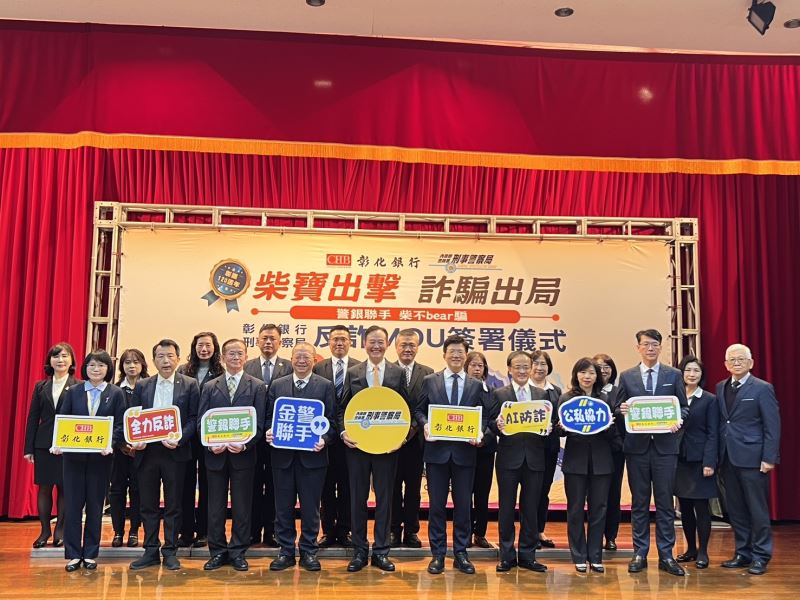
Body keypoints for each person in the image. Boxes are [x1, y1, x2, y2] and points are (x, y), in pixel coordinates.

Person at [416, 335, 496, 575]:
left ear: (466, 355)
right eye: (452, 351)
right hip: (436, 454)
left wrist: (480, 432)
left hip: (465, 454)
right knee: (436, 507)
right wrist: (426, 425)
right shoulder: (430, 381)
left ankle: (461, 553)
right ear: (444, 355)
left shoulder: (475, 384)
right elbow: (419, 410)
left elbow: (485, 415)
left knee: (463, 506)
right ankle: (438, 554)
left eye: (460, 352)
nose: (456, 356)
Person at [616, 329, 689, 576]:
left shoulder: (674, 374)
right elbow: (618, 408)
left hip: (665, 449)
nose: (650, 348)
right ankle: (640, 553)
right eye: (646, 344)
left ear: (660, 347)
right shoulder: (627, 376)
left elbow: (683, 407)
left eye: (654, 344)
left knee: (665, 503)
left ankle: (666, 555)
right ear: (637, 347)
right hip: (636, 449)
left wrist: (678, 420)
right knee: (639, 503)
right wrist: (622, 410)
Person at [338, 325, 410, 573]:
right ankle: (359, 550)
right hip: (358, 447)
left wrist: (402, 438)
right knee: (357, 498)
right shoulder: (353, 372)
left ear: (387, 344)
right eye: (372, 342)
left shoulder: (398, 373)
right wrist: (343, 432)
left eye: (381, 342)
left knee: (385, 499)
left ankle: (381, 551)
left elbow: (407, 409)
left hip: (387, 448)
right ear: (364, 344)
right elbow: (342, 407)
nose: (376, 346)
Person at [266, 342, 337, 572]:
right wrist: (269, 432)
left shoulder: (325, 386)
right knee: (282, 508)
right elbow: (268, 418)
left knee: (310, 508)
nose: (302, 360)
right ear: (291, 359)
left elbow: (332, 422)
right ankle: (286, 551)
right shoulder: (277, 385)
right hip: (282, 458)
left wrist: (324, 439)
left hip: (313, 459)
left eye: (307, 357)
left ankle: (308, 551)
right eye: (298, 356)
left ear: (314, 360)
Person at [129, 340, 199, 571]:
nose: (166, 361)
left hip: (175, 452)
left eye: (170, 356)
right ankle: (150, 550)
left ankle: (170, 550)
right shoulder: (143, 385)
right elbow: (133, 417)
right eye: (160, 356)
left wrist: (180, 438)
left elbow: (194, 419)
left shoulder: (189, 384)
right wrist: (135, 439)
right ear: (153, 360)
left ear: (178, 358)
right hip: (147, 453)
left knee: (173, 505)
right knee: (148, 504)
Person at [200, 338, 267, 572]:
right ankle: (217, 551)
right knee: (215, 507)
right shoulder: (210, 386)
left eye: (240, 353)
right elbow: (202, 421)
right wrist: (210, 445)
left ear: (246, 357)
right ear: (222, 357)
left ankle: (238, 551)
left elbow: (259, 424)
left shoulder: (257, 386)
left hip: (243, 457)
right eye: (231, 353)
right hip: (215, 456)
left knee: (242, 506)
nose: (236, 357)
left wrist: (245, 445)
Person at [57, 350, 125, 572]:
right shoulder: (73, 391)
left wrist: (110, 443)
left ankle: (90, 553)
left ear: (108, 369)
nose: (96, 369)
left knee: (95, 506)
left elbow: (119, 425)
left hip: (101, 459)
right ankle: (73, 554)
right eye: (92, 365)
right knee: (73, 506)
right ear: (85, 368)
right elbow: (63, 420)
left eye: (101, 365)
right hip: (73, 458)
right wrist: (58, 442)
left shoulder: (115, 393)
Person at [716, 343, 780, 576]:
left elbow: (772, 426)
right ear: (725, 364)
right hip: (727, 458)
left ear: (750, 363)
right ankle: (743, 552)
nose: (736, 363)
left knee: (757, 509)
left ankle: (761, 555)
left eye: (741, 359)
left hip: (754, 459)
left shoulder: (762, 388)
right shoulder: (720, 387)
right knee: (736, 509)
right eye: (732, 359)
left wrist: (769, 458)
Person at [557, 358, 619, 573]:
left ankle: (595, 555)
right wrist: (562, 427)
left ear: (597, 376)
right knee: (575, 509)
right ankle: (579, 555)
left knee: (599, 509)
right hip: (575, 461)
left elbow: (613, 434)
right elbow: (560, 431)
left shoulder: (604, 399)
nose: (587, 376)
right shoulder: (566, 398)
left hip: (601, 462)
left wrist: (610, 425)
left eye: (591, 373)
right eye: (583, 372)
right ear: (576, 375)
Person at [490, 351, 549, 574]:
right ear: (509, 369)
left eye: (526, 367)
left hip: (535, 458)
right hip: (508, 459)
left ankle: (527, 555)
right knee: (506, 508)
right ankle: (506, 556)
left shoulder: (542, 394)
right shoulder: (499, 394)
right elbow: (490, 423)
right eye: (518, 367)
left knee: (531, 509)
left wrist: (548, 427)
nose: (523, 371)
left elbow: (550, 422)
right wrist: (497, 425)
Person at [24, 342, 79, 549]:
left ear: (71, 361)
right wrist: (28, 448)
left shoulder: (78, 385)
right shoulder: (41, 386)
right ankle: (44, 530)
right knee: (44, 488)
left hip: (69, 442)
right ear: (50, 361)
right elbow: (33, 418)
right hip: (44, 443)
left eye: (65, 356)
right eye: (56, 356)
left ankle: (60, 531)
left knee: (65, 488)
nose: (60, 360)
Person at [244, 323, 292, 547]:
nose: (268, 342)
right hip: (252, 437)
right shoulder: (247, 366)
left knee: (275, 485)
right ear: (257, 341)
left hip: (279, 438)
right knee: (252, 484)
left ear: (280, 342)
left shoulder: (289, 366)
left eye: (273, 338)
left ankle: (272, 531)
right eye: (264, 338)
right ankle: (253, 531)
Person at [313, 324, 361, 548]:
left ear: (350, 342)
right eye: (335, 339)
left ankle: (345, 530)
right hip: (324, 437)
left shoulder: (359, 368)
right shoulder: (318, 367)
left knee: (347, 486)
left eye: (343, 339)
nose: (339, 343)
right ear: (329, 342)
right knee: (325, 486)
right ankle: (327, 531)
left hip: (352, 437)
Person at [177, 331, 224, 548]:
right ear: (194, 348)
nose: (204, 349)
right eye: (199, 345)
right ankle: (186, 531)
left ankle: (204, 531)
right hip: (186, 436)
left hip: (210, 435)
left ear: (215, 348)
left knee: (208, 484)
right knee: (185, 483)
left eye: (208, 345)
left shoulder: (221, 372)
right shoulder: (183, 371)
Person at [391, 328, 433, 549]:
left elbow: (427, 406)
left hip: (416, 442)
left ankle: (411, 531)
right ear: (396, 347)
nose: (407, 349)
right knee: (392, 488)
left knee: (414, 489)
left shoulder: (428, 373)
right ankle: (393, 530)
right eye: (403, 345)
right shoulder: (387, 371)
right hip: (390, 441)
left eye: (412, 345)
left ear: (417, 348)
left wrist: (413, 429)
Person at [674, 355, 718, 570]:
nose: (692, 374)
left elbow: (713, 433)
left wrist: (710, 462)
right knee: (685, 507)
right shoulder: (674, 397)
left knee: (701, 508)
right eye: (688, 370)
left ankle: (703, 551)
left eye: (696, 371)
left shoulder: (709, 399)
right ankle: (691, 549)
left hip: (700, 461)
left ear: (702, 375)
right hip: (678, 459)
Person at [109, 348, 148, 548]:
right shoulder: (114, 389)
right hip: (119, 451)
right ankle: (118, 531)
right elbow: (111, 421)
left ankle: (134, 531)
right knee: (117, 490)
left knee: (137, 490)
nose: (131, 366)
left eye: (135, 362)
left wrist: (139, 444)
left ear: (142, 364)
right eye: (127, 362)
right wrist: (122, 445)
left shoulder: (150, 387)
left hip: (143, 450)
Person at [529, 350, 562, 550]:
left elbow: (559, 420)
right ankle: (529, 533)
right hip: (528, 448)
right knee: (530, 492)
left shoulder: (556, 391)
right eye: (536, 363)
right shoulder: (523, 390)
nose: (539, 368)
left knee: (544, 491)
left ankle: (540, 531)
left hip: (549, 448)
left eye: (543, 364)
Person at [465, 351, 497, 549]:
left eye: (480, 366)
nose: (477, 369)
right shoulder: (461, 390)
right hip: (464, 448)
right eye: (473, 365)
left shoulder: (492, 392)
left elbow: (494, 420)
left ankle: (480, 533)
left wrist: (483, 438)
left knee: (482, 493)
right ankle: (465, 533)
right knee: (464, 493)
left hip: (485, 449)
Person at [593, 352, 624, 551]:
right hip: (593, 449)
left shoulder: (619, 391)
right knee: (595, 496)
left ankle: (610, 536)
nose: (603, 371)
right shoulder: (588, 391)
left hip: (615, 450)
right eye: (599, 367)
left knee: (613, 494)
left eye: (607, 367)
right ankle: (594, 536)